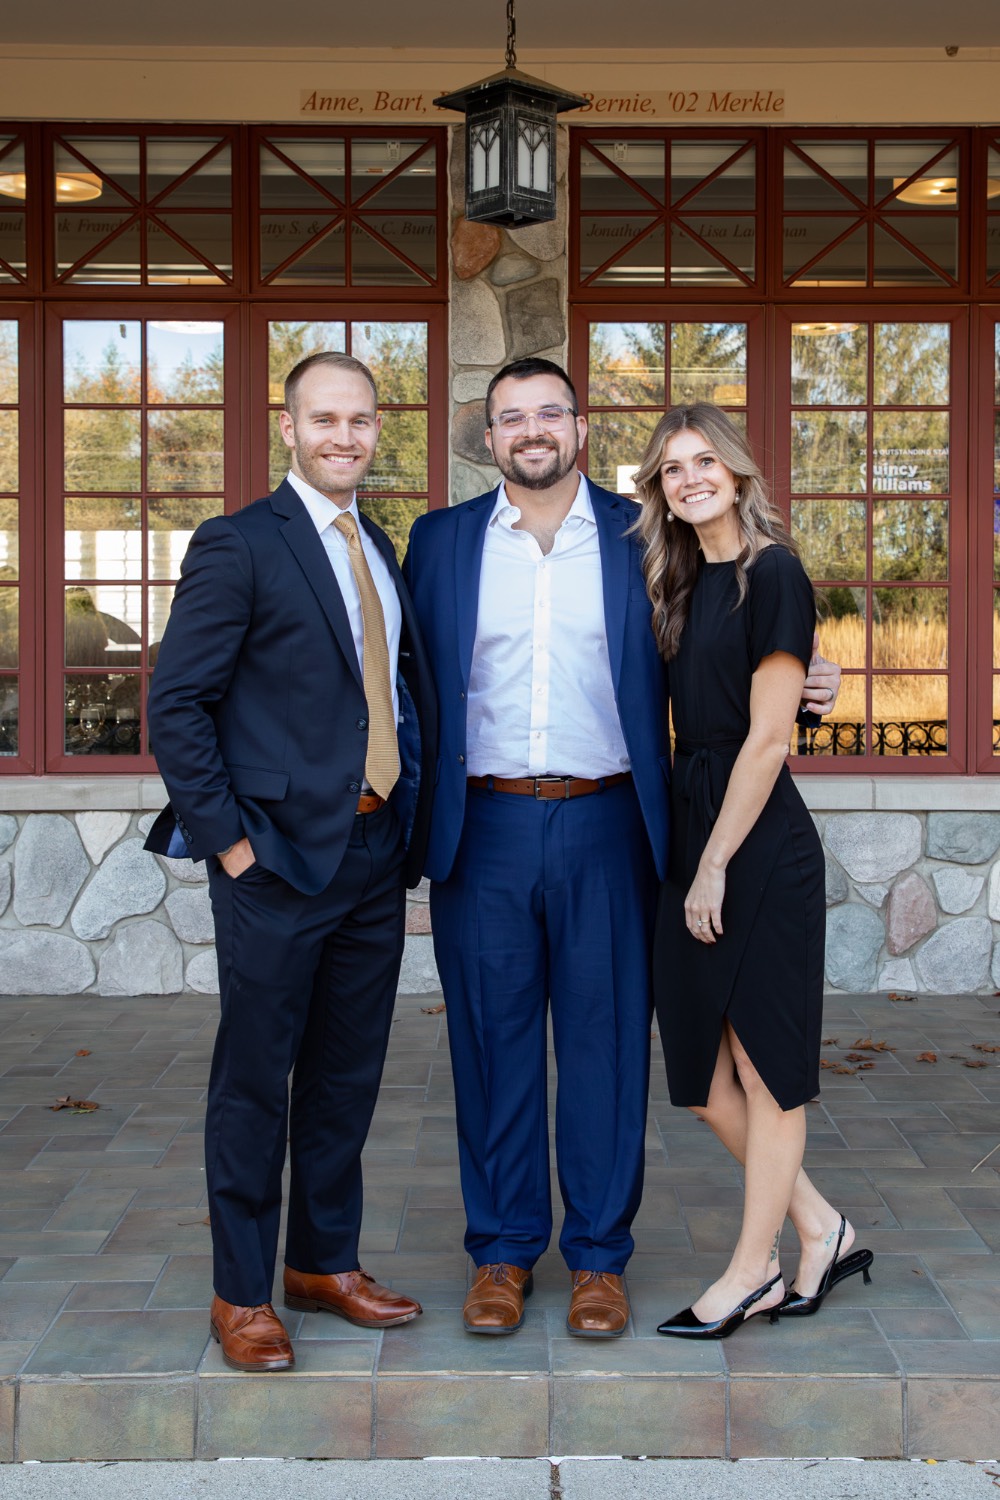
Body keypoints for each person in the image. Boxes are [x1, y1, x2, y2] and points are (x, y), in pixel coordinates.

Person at [403, 359, 842, 1340]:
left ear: (580, 426)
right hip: (484, 826)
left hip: (611, 825)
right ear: (487, 435)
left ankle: (598, 1257)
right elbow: (401, 678)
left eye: (548, 412)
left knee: (604, 1048)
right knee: (490, 1044)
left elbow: (741, 616)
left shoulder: (644, 537)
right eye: (510, 416)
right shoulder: (437, 544)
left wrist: (817, 668)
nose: (531, 429)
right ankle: (503, 1253)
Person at [145, 352, 437, 1372]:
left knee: (346, 1076)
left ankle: (322, 1265)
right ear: (289, 426)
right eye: (325, 419)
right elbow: (174, 705)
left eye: (360, 420)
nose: (344, 437)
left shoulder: (381, 545)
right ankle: (241, 1293)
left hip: (371, 850)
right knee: (255, 1084)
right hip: (271, 863)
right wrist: (229, 844)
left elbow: (388, 694)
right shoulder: (239, 545)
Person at [633, 403, 873, 1341]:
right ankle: (821, 1225)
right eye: (671, 468)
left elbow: (770, 736)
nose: (690, 478)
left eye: (705, 461)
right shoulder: (678, 580)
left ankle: (752, 1269)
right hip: (695, 820)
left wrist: (714, 867)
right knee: (700, 1078)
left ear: (736, 472)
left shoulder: (774, 573)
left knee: (768, 1071)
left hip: (755, 840)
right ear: (660, 489)